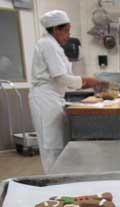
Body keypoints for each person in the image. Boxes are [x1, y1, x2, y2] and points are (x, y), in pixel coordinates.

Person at [29, 10, 103, 173]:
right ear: (56, 29)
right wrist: (86, 80)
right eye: (66, 31)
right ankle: (53, 186)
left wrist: (84, 83)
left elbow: (64, 78)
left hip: (54, 98)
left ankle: (58, 179)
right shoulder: (47, 44)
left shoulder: (54, 46)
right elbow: (61, 77)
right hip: (45, 99)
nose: (68, 36)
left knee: (57, 144)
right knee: (51, 146)